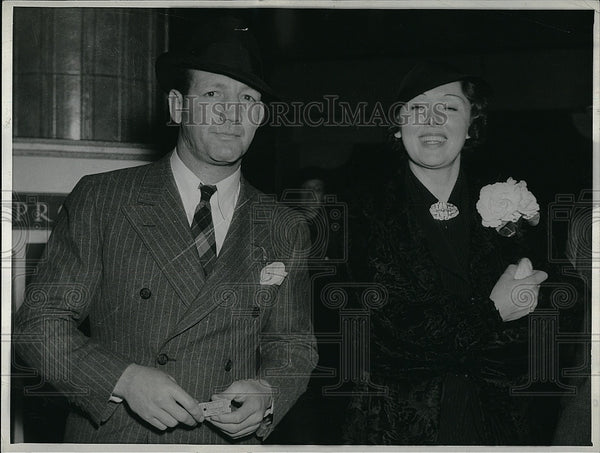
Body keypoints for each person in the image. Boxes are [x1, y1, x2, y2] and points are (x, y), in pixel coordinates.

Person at [13, 26, 317, 444]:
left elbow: (293, 345)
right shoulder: (103, 199)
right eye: (214, 95)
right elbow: (39, 324)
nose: (233, 114)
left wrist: (268, 392)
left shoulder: (286, 225)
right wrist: (123, 380)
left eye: (248, 100)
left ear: (260, 118)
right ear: (177, 106)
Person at [344, 61, 549, 445]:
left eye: (450, 107)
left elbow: (541, 337)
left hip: (497, 422)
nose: (432, 120)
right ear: (397, 123)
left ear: (472, 123)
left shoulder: (513, 206)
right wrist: (493, 312)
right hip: (399, 425)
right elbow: (386, 338)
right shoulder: (360, 212)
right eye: (418, 108)